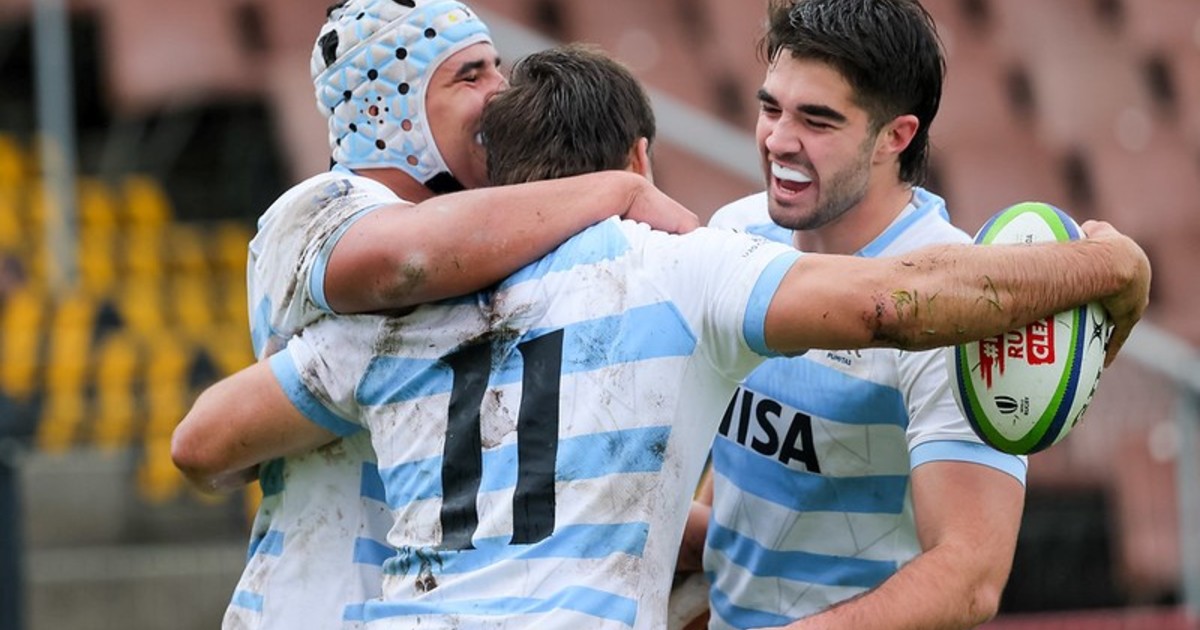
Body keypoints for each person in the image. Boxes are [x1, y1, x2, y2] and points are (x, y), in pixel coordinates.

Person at [173, 44, 1149, 629]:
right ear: (639, 158)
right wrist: (1108, 269)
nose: (778, 140)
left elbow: (202, 444)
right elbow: (891, 304)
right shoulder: (682, 266)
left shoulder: (390, 323)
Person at [217, 1, 698, 628]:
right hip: (311, 609)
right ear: (385, 109)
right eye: (470, 76)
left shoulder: (489, 255)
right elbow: (406, 260)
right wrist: (621, 187)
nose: (499, 92)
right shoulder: (316, 208)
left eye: (497, 68)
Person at [679, 1, 1047, 628]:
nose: (779, 141)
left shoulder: (958, 305)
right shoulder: (734, 232)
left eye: (817, 120)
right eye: (771, 109)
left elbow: (970, 576)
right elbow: (745, 468)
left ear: (895, 137)